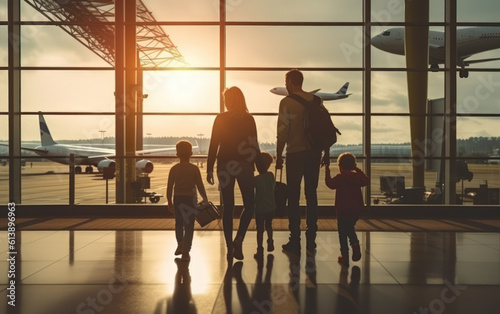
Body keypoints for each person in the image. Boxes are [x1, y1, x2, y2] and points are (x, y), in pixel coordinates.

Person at [276, 69, 330, 255]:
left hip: (295, 154)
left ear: (291, 81)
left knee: (293, 196)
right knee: (311, 195)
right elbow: (325, 129)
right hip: (314, 154)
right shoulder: (316, 100)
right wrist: (326, 153)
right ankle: (311, 240)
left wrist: (278, 157)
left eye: (286, 82)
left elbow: (282, 132)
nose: (285, 86)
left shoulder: (286, 102)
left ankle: (295, 239)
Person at [207, 86, 262, 261]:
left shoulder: (220, 118)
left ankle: (229, 247)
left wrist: (209, 167)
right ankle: (239, 240)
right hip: (244, 165)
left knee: (228, 207)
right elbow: (254, 144)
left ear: (228, 100)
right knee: (249, 204)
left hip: (224, 164)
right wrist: (259, 165)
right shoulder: (248, 119)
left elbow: (214, 144)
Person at [325, 152, 369, 267]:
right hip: (355, 209)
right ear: (353, 165)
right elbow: (366, 180)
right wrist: (357, 169)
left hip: (342, 209)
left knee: (342, 233)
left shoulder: (340, 178)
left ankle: (345, 255)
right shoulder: (357, 177)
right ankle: (354, 244)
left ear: (340, 166)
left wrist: (327, 171)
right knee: (350, 228)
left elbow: (330, 184)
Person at [167, 140, 209, 262]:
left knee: (179, 222)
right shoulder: (194, 169)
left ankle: (180, 242)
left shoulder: (174, 169)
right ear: (191, 153)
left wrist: (169, 201)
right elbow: (200, 186)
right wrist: (205, 199)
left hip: (178, 198)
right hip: (190, 199)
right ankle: (186, 249)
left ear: (177, 154)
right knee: (189, 224)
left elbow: (170, 187)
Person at [253, 151, 276, 259]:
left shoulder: (256, 180)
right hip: (271, 206)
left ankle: (260, 249)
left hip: (260, 208)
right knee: (269, 225)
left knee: (260, 229)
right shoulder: (271, 176)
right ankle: (270, 241)